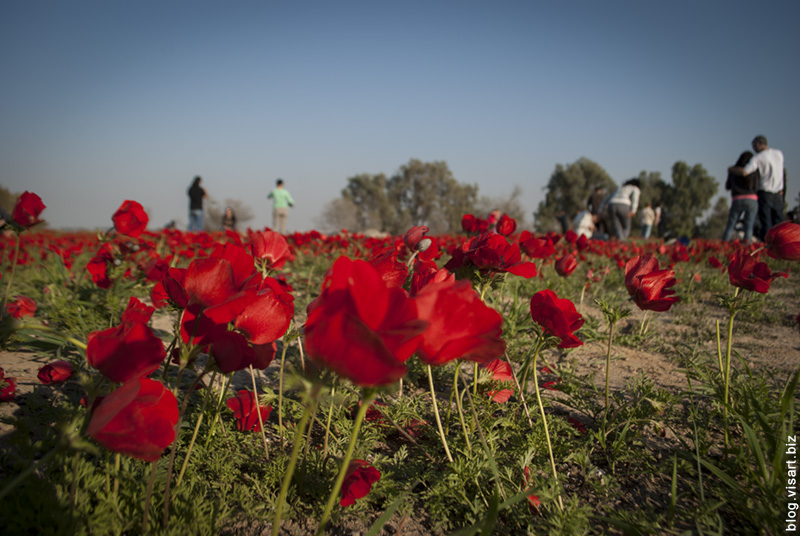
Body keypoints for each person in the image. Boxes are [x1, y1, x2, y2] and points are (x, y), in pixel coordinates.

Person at [728, 135, 785, 241]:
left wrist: (732, 169)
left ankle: (768, 248)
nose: (753, 149)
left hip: (765, 193)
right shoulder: (779, 154)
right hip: (778, 193)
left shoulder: (758, 158)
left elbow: (745, 172)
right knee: (779, 222)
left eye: (754, 146)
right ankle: (781, 244)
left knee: (766, 222)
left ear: (758, 144)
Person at [722, 151, 759, 243]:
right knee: (749, 225)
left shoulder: (733, 171)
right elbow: (757, 186)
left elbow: (727, 186)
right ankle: (747, 247)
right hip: (751, 199)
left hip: (737, 199)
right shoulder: (754, 171)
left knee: (731, 225)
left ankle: (724, 245)